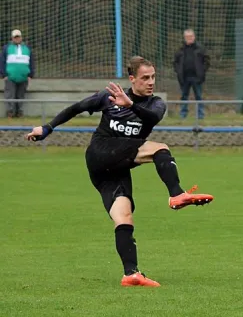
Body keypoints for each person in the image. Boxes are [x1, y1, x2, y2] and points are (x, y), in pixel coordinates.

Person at [25, 56, 214, 287]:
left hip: (115, 167)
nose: (151, 82)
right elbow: (76, 108)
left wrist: (131, 105)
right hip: (100, 152)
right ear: (132, 78)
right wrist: (47, 128)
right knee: (161, 148)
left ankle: (131, 274)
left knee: (123, 216)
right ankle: (176, 193)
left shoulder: (156, 104)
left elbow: (152, 118)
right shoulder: (108, 97)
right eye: (145, 77)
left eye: (153, 77)